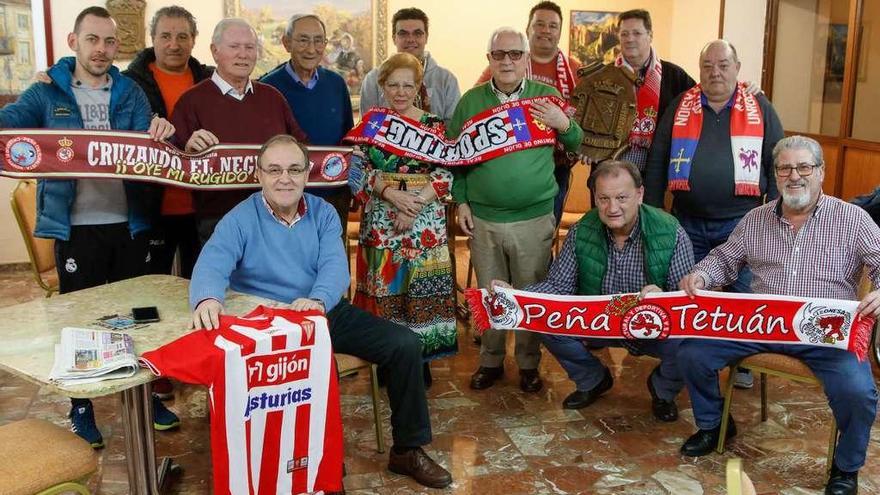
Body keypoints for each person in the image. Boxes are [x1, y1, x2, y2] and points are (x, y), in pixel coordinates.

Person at [189, 134, 453, 489]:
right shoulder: (240, 217)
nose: (285, 178)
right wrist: (207, 297)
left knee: (404, 344)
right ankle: (321, 469)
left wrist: (317, 300)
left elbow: (334, 266)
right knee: (313, 370)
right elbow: (213, 260)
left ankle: (408, 449)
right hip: (270, 322)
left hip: (320, 310)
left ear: (307, 173)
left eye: (295, 169)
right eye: (275, 170)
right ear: (259, 174)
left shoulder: (323, 212)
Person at [0, 6, 179, 448]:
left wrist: (160, 131)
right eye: (93, 40)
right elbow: (10, 128)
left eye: (109, 42)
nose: (101, 49)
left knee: (140, 316)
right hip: (76, 227)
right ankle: (81, 406)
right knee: (81, 319)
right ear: (74, 43)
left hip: (129, 222)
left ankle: (142, 393)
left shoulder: (131, 91)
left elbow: (152, 150)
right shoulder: (46, 92)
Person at [677, 135, 880, 495]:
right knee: (692, 352)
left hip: (825, 332)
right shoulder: (755, 219)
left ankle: (845, 469)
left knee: (858, 391)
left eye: (804, 167)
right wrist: (702, 274)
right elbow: (725, 259)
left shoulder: (853, 219)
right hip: (762, 324)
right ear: (774, 174)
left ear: (821, 172)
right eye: (785, 168)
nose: (794, 176)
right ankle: (713, 424)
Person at [493, 160, 692, 420]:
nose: (612, 208)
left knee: (691, 342)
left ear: (640, 194)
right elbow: (557, 287)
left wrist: (664, 299)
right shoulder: (582, 230)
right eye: (603, 198)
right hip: (597, 325)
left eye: (622, 197)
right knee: (542, 318)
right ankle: (592, 379)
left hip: (651, 327)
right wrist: (518, 296)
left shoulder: (671, 231)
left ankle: (662, 389)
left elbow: (687, 304)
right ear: (595, 198)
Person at [645, 40, 784, 389]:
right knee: (687, 292)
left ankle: (744, 363)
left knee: (743, 295)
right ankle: (683, 362)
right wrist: (651, 211)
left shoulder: (761, 107)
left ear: (737, 68)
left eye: (723, 65)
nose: (715, 72)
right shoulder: (681, 105)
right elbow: (659, 158)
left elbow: (777, 164)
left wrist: (777, 218)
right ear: (700, 69)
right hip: (686, 221)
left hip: (743, 223)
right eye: (707, 65)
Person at [451, 27, 584, 393]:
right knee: (491, 293)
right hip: (484, 219)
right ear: (489, 59)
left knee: (529, 294)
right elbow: (456, 159)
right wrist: (461, 200)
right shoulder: (470, 102)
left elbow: (576, 140)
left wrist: (564, 124)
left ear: (526, 58)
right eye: (499, 55)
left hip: (534, 217)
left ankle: (528, 364)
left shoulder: (547, 96)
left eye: (514, 54)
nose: (507, 61)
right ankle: (490, 361)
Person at [351, 53, 457, 386]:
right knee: (385, 289)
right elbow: (358, 169)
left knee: (421, 288)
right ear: (382, 86)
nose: (400, 92)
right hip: (382, 220)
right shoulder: (371, 122)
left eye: (407, 85)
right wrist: (391, 196)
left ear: (418, 87)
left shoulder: (434, 125)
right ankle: (387, 357)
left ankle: (420, 360)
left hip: (424, 220)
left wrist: (413, 205)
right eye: (393, 85)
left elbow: (446, 172)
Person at [171, 18, 307, 243]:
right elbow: (168, 162)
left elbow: (302, 148)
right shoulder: (191, 101)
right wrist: (186, 151)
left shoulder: (273, 97)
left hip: (274, 218)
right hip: (217, 221)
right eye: (234, 47)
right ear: (215, 52)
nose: (243, 54)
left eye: (250, 47)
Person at [123, 6, 212, 280]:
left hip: (201, 207)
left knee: (199, 286)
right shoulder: (128, 83)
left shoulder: (211, 80)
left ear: (194, 39)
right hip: (150, 206)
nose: (174, 44)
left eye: (182, 36)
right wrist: (53, 76)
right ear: (152, 38)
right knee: (149, 287)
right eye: (165, 36)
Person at [475, 2, 581, 225]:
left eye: (553, 26)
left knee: (547, 228)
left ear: (560, 32)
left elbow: (583, 118)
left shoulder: (575, 69)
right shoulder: (507, 62)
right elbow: (479, 104)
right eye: (539, 24)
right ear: (528, 29)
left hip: (557, 164)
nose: (546, 30)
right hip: (510, 158)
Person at [260, 13, 354, 231]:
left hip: (333, 195)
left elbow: (348, 138)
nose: (311, 49)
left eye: (318, 40)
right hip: (285, 196)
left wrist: (349, 188)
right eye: (303, 40)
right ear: (286, 43)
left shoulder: (337, 84)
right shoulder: (268, 87)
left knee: (331, 260)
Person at [606, 9, 695, 172]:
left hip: (656, 175)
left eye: (637, 33)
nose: (629, 39)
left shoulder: (675, 76)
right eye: (624, 34)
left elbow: (704, 99)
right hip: (609, 172)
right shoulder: (603, 75)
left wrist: (745, 89)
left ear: (650, 35)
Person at [359, 8, 460, 124]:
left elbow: (454, 128)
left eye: (417, 34)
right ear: (394, 38)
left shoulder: (446, 79)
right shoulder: (373, 79)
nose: (411, 39)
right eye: (403, 34)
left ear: (426, 37)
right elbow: (367, 126)